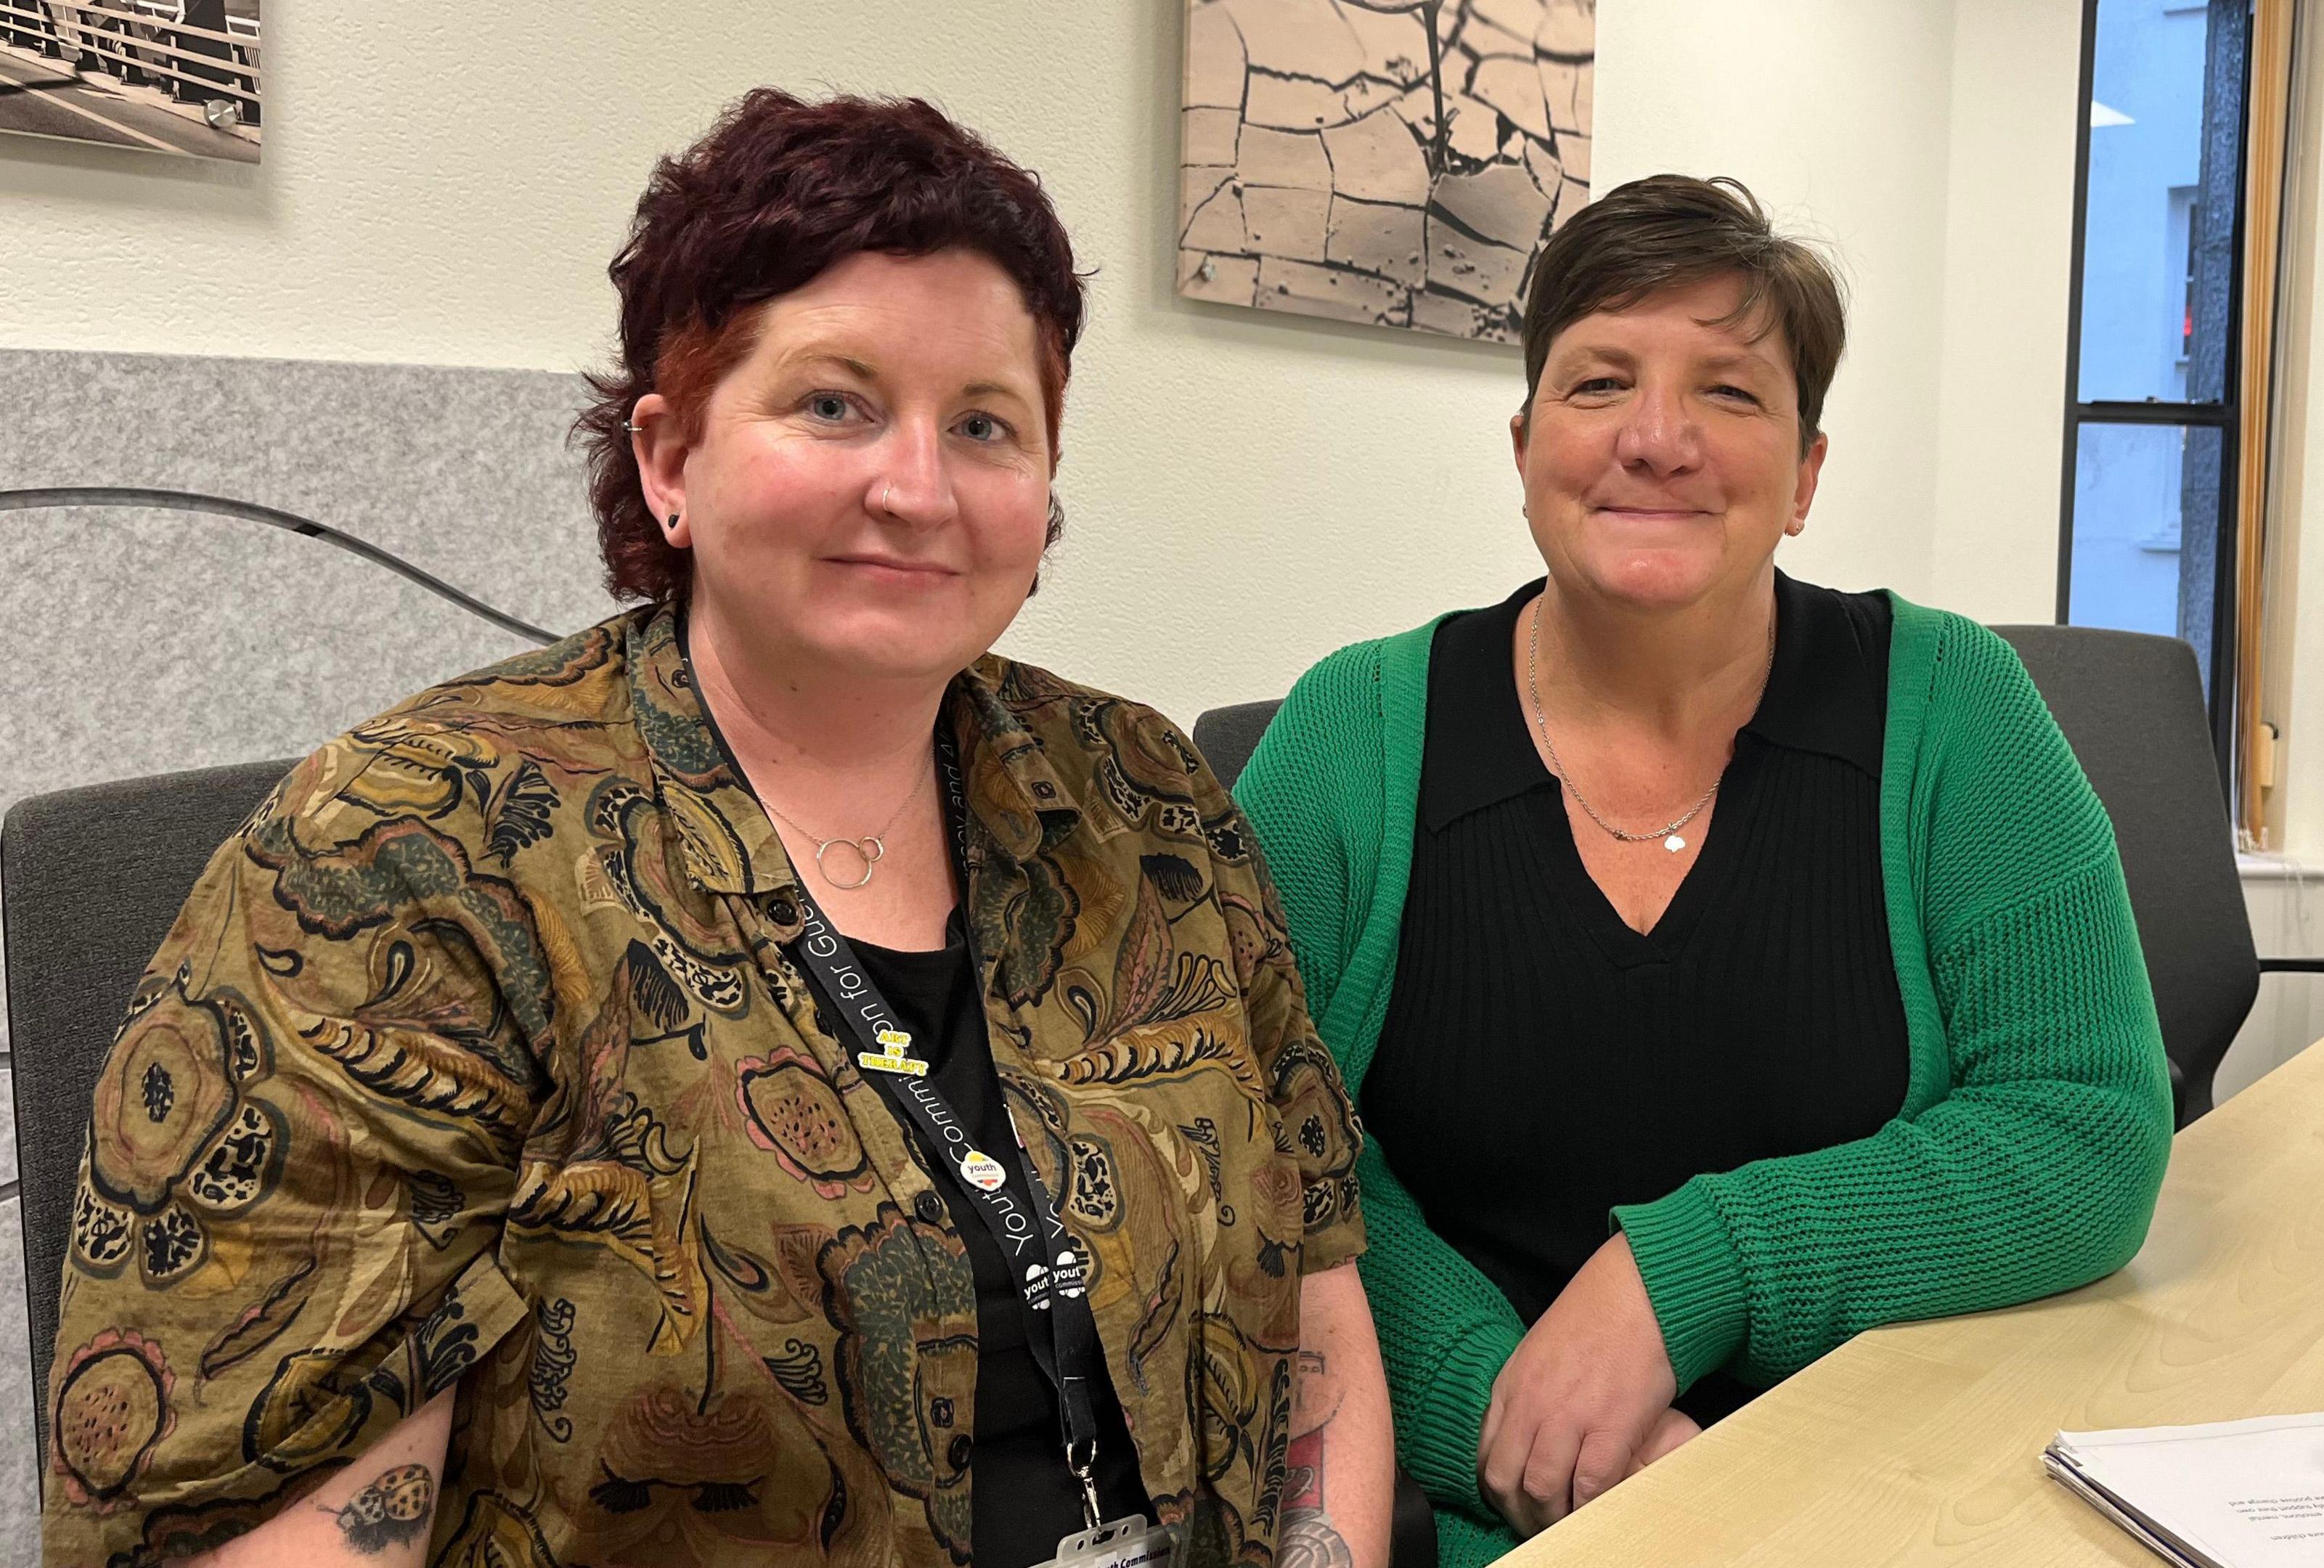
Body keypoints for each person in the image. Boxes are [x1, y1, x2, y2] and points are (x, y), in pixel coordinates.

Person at [44, 89, 1390, 1568]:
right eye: (836, 402)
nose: (919, 486)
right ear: (670, 460)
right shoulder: (408, 857)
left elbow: (1311, 1295)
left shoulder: (1141, 798)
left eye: (988, 425)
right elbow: (276, 1523)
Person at [1234, 174, 2173, 1565]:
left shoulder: (1955, 706)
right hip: (1491, 1513)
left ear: (1805, 475)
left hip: (1886, 1497)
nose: (1657, 439)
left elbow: (2087, 1124)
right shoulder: (1349, 734)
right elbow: (1248, 1157)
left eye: (1730, 394)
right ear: (1525, 444)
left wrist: (1690, 1272)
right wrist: (1522, 1422)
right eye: (1600, 381)